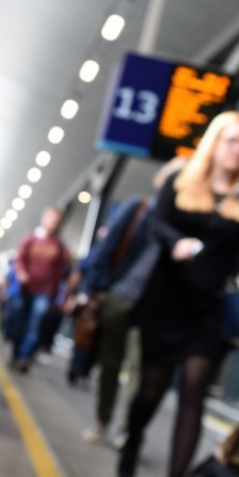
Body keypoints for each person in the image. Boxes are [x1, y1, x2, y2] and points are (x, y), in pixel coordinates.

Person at [116, 111, 239, 477]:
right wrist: (176, 244)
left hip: (211, 312)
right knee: (151, 388)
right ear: (215, 141)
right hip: (167, 301)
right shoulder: (181, 181)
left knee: (194, 391)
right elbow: (158, 225)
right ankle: (132, 442)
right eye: (233, 141)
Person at [79, 161, 185, 443]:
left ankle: (127, 428)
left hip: (152, 308)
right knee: (110, 363)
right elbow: (108, 246)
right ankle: (103, 420)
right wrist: (95, 288)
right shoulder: (139, 208)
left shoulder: (184, 226)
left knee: (140, 369)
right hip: (120, 297)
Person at [12, 207, 71, 373]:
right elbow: (19, 260)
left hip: (44, 292)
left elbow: (60, 273)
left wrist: (57, 296)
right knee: (20, 321)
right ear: (44, 218)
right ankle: (16, 352)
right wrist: (22, 273)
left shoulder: (59, 246)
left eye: (56, 219)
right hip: (25, 289)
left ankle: (24, 356)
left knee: (35, 324)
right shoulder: (29, 239)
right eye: (51, 218)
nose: (53, 222)